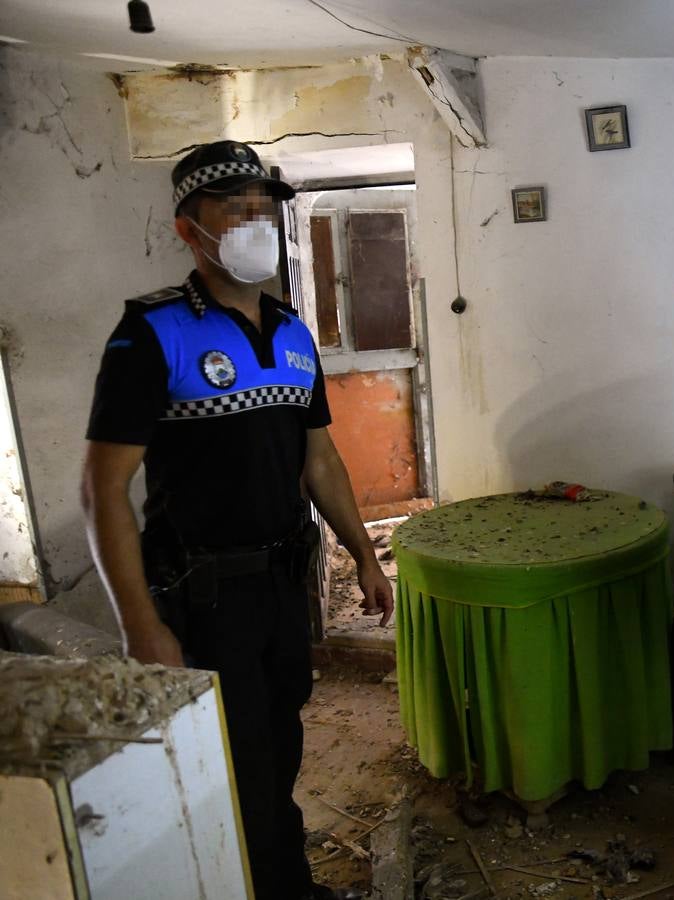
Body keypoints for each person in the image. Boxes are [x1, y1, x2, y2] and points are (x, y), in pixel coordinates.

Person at [81, 140, 394, 900]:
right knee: (241, 758)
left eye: (266, 208)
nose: (257, 223)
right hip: (204, 594)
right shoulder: (150, 334)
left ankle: (280, 877)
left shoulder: (290, 332)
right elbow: (103, 490)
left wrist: (363, 555)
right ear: (190, 228)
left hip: (286, 586)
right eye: (235, 209)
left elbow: (318, 458)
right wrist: (139, 626)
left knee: (281, 741)